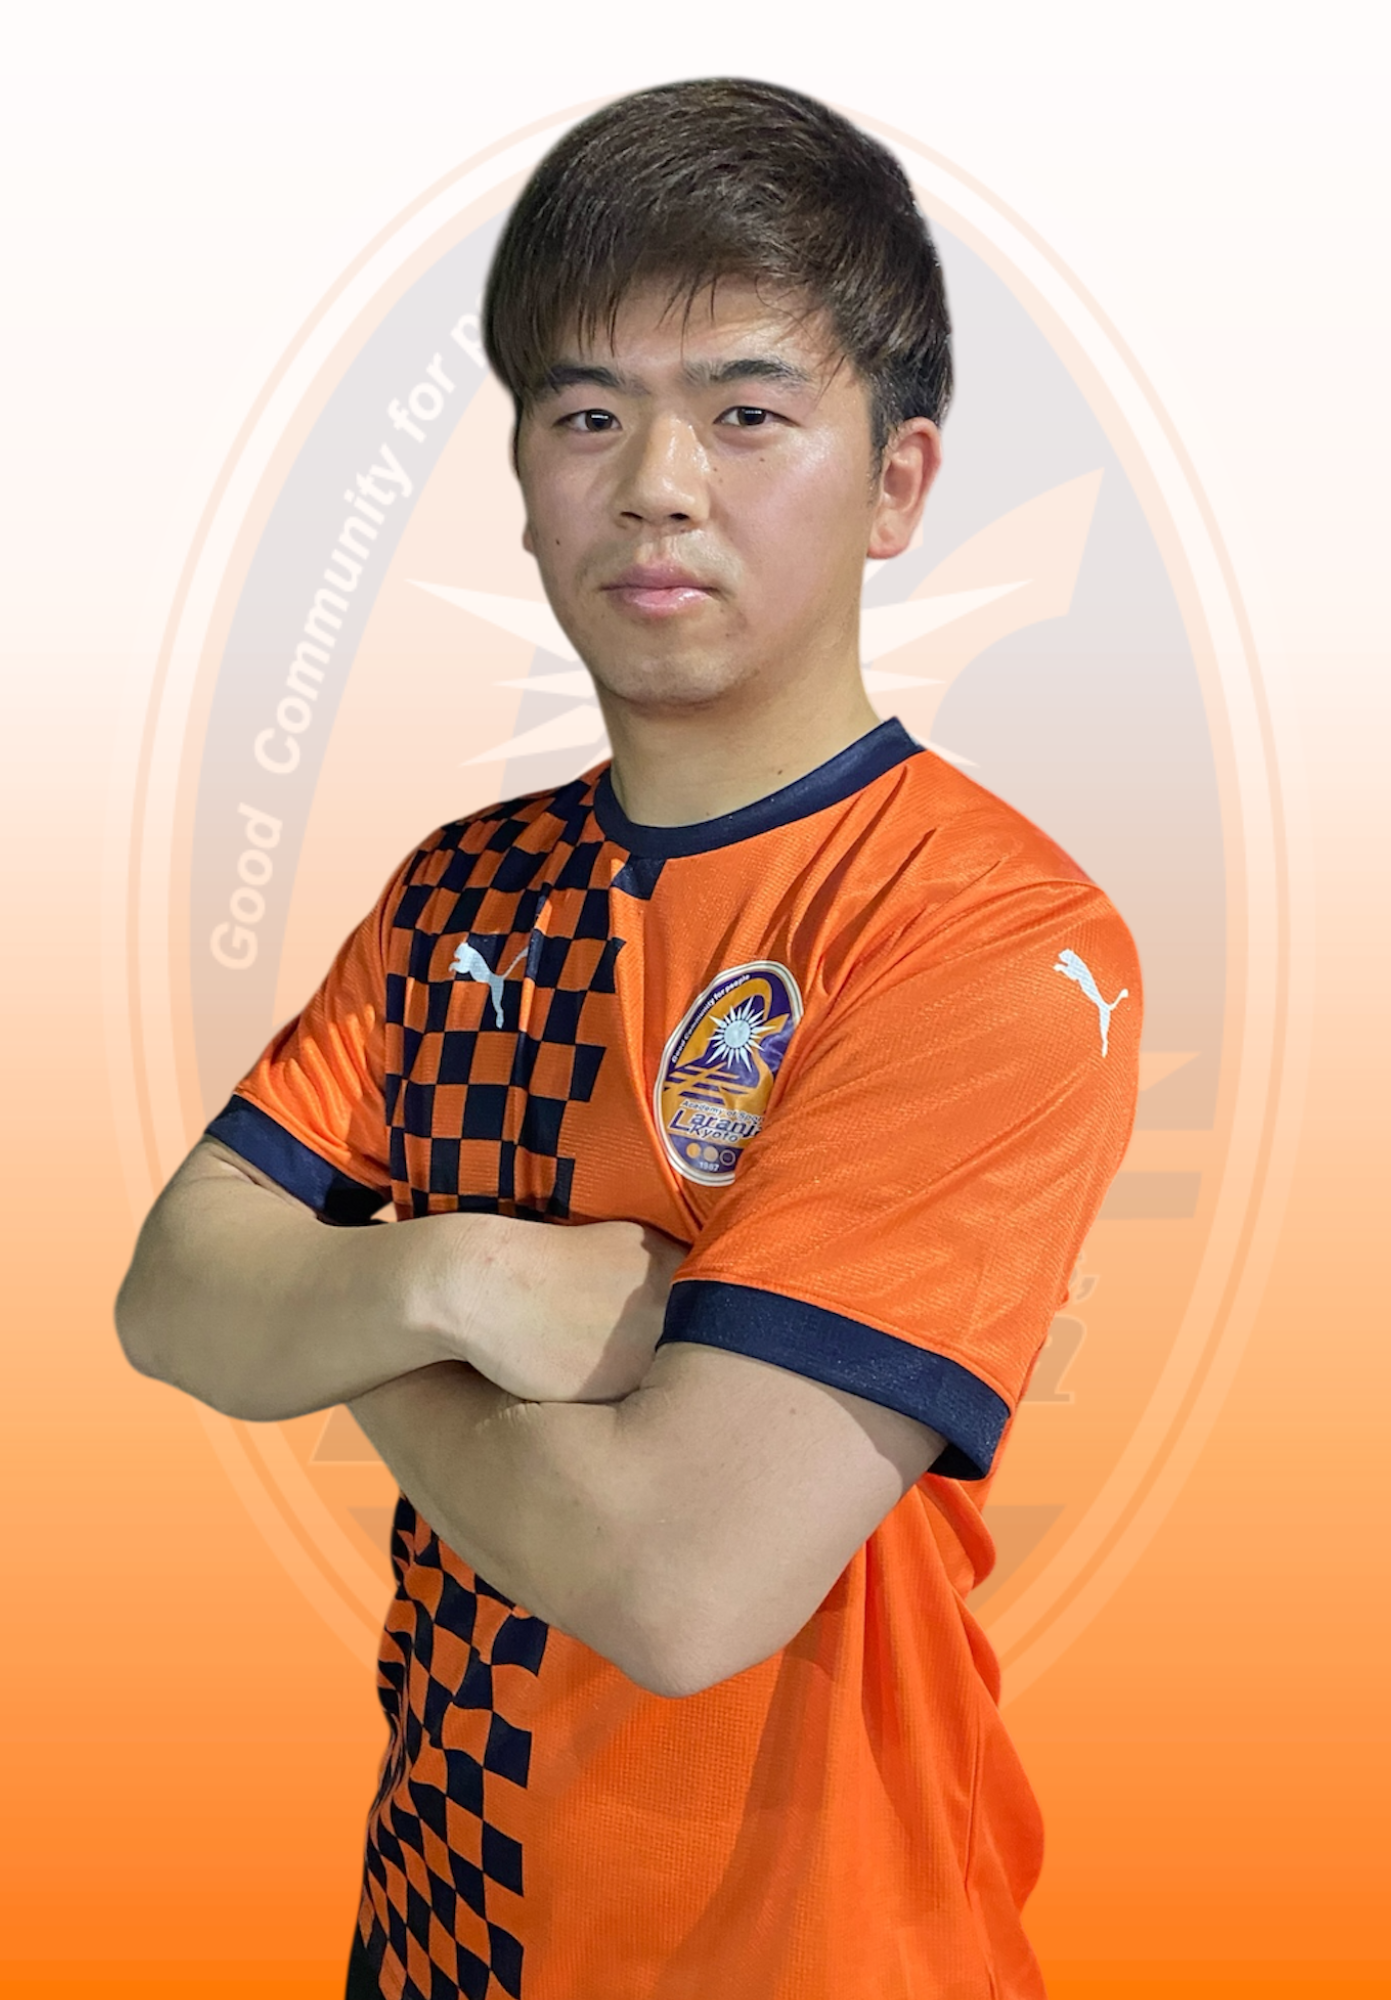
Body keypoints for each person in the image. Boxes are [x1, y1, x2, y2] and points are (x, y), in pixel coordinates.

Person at [116, 77, 1141, 2000]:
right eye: (586, 413)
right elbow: (171, 1298)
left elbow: (683, 1586)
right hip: (442, 1931)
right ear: (523, 480)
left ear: (898, 482)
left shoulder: (983, 933)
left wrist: (339, 1317)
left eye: (746, 411)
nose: (657, 481)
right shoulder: (458, 893)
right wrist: (468, 1279)